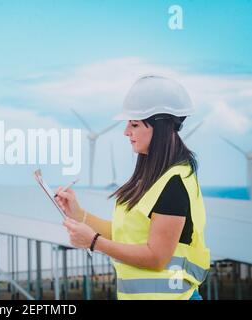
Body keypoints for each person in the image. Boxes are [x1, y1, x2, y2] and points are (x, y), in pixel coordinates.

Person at [56, 75, 210, 300]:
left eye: (134, 124)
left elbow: (157, 257)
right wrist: (78, 214)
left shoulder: (174, 184)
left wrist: (94, 243)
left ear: (160, 128)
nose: (126, 131)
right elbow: (124, 233)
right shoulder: (152, 179)